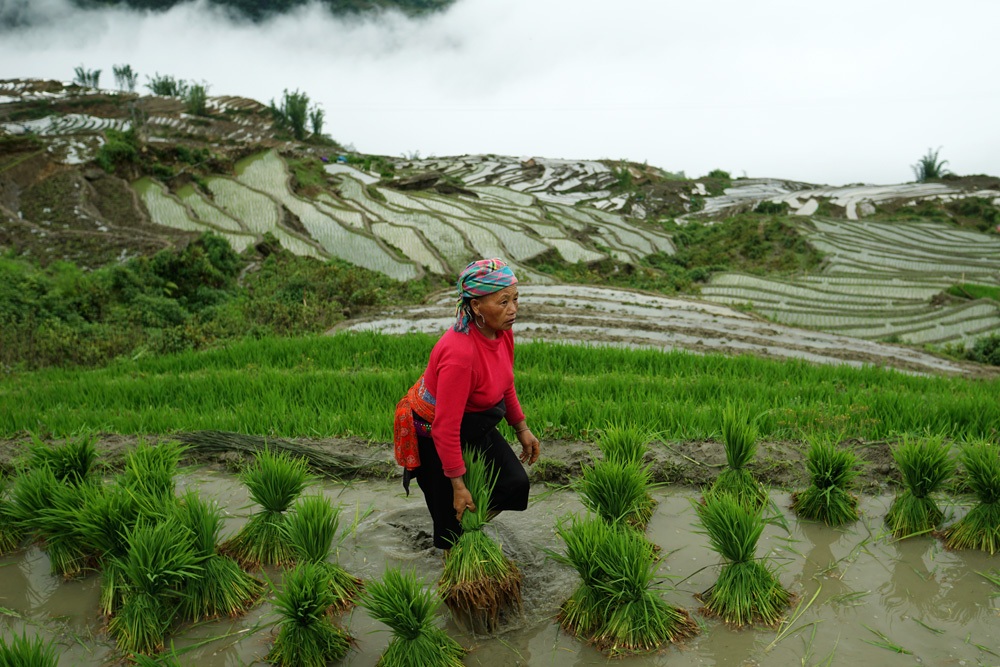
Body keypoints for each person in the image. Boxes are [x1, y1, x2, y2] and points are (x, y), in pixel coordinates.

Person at [393, 258, 541, 550]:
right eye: (503, 302)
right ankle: (453, 561)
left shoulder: (502, 331)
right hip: (433, 429)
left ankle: (469, 530)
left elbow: (506, 380)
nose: (513, 309)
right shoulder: (460, 355)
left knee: (514, 485)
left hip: (474, 420)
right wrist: (458, 485)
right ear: (475, 307)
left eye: (515, 299)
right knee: (449, 523)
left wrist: (521, 428)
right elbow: (445, 429)